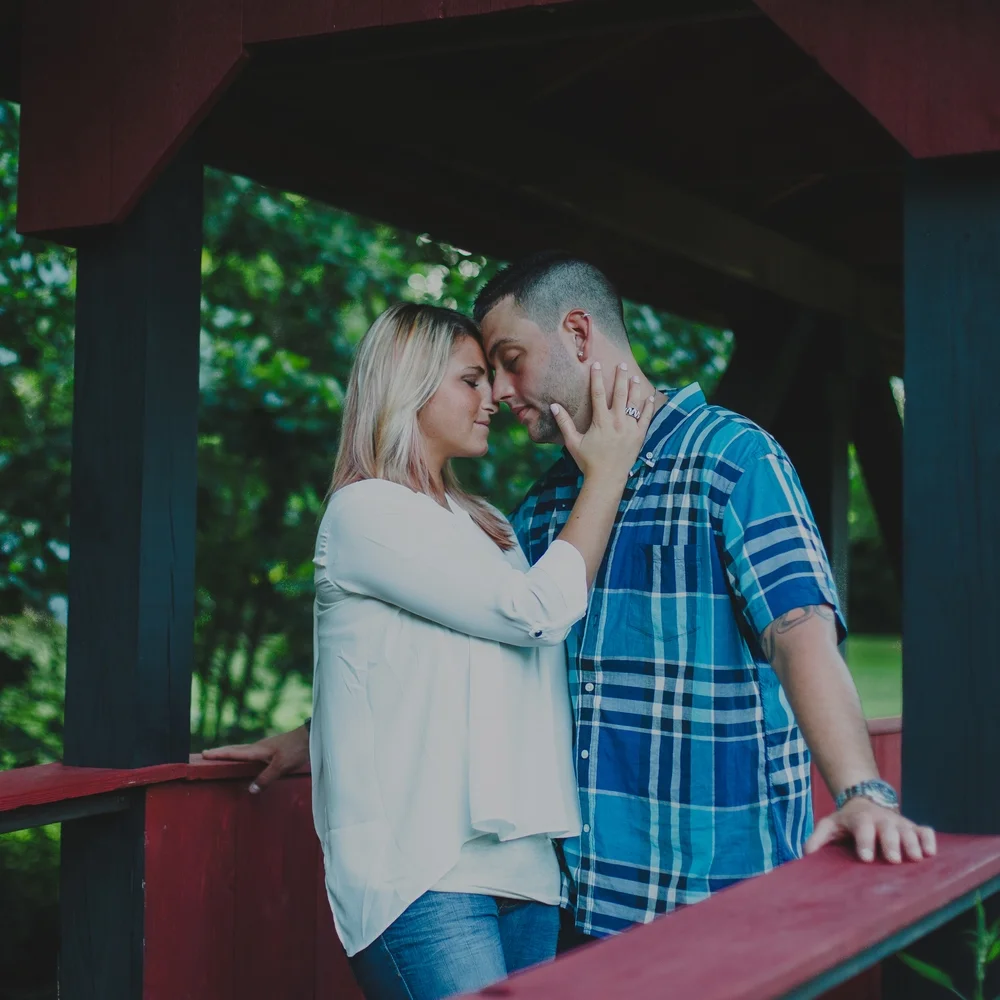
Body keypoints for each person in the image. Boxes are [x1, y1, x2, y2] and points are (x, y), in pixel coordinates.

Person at [206, 253, 935, 954]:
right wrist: (313, 735)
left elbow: (801, 631)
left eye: (510, 359)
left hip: (718, 904)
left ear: (579, 335)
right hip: (576, 908)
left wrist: (862, 790)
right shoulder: (547, 506)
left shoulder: (735, 459)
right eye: (484, 372)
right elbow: (472, 649)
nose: (499, 389)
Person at [293, 301, 653, 1000]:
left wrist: (306, 734)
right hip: (423, 873)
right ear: (410, 384)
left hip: (525, 869)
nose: (494, 398)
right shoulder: (366, 511)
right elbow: (535, 614)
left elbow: (461, 664)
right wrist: (606, 475)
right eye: (471, 380)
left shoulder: (484, 522)